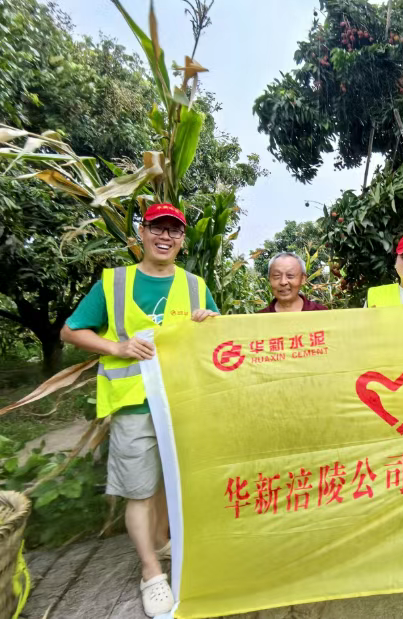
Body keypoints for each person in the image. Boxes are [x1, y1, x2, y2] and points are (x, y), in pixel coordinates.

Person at [60, 203, 220, 617]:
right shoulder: (114, 282)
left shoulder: (195, 286)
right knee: (140, 489)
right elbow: (70, 331)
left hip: (182, 401)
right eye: (157, 228)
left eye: (174, 230)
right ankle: (151, 573)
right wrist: (116, 347)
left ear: (182, 240)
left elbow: (218, 339)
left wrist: (208, 320)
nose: (165, 237)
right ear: (142, 233)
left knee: (172, 481)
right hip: (133, 403)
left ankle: (163, 542)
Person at [259, 252, 328, 313]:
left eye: (290, 276)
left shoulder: (321, 313)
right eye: (276, 276)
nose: (283, 282)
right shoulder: (259, 319)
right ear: (269, 279)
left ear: (303, 279)